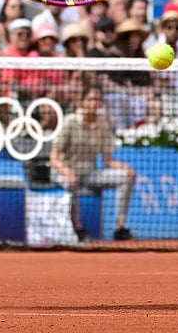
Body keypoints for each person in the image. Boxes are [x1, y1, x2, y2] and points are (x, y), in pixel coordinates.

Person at [49, 86, 136, 243]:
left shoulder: (103, 125)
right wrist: (66, 171)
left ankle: (120, 228)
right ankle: (78, 228)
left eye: (97, 100)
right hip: (64, 172)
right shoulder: (70, 121)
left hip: (89, 173)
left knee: (125, 178)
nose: (94, 103)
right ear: (83, 102)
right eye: (90, 99)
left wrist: (126, 168)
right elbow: (54, 157)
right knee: (72, 183)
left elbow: (107, 160)